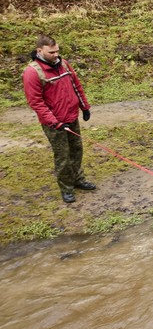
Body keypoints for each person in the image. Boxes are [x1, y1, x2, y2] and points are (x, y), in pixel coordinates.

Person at [22, 35, 96, 204]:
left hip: (71, 117)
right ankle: (66, 188)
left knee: (76, 150)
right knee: (63, 156)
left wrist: (84, 107)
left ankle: (78, 179)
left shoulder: (64, 64)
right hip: (54, 123)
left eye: (57, 51)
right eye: (51, 52)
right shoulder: (32, 73)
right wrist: (54, 122)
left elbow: (76, 85)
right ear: (39, 51)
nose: (56, 55)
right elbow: (36, 102)